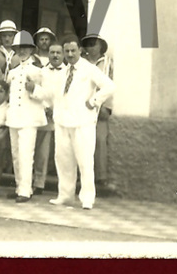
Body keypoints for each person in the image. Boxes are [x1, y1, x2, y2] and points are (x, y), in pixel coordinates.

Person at [30, 35, 115, 210]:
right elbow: (51, 95)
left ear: (80, 50)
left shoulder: (88, 69)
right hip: (62, 121)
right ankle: (65, 195)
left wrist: (94, 101)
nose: (69, 54)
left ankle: (87, 197)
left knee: (85, 161)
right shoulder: (63, 72)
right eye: (66, 51)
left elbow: (109, 86)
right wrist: (35, 90)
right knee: (63, 161)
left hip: (83, 122)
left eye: (73, 50)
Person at [4, 30, 45, 203]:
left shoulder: (38, 72)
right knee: (15, 153)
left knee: (26, 153)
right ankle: (19, 186)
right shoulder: (12, 72)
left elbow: (47, 94)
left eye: (26, 48)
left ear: (31, 50)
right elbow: (7, 92)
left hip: (29, 117)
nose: (22, 51)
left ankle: (26, 190)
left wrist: (33, 89)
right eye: (19, 48)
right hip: (14, 116)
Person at [83, 32, 118, 197]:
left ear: (101, 46)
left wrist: (107, 107)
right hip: (82, 106)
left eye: (94, 43)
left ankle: (101, 177)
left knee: (100, 140)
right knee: (82, 141)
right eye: (88, 44)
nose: (91, 47)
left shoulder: (107, 63)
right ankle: (82, 175)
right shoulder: (82, 63)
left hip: (100, 107)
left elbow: (111, 84)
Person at [32, 41, 62, 195]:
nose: (55, 55)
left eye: (58, 52)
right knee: (41, 152)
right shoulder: (42, 72)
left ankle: (64, 186)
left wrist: (56, 109)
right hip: (45, 115)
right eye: (52, 52)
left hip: (63, 116)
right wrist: (45, 108)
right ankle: (38, 182)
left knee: (63, 151)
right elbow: (36, 91)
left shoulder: (68, 72)